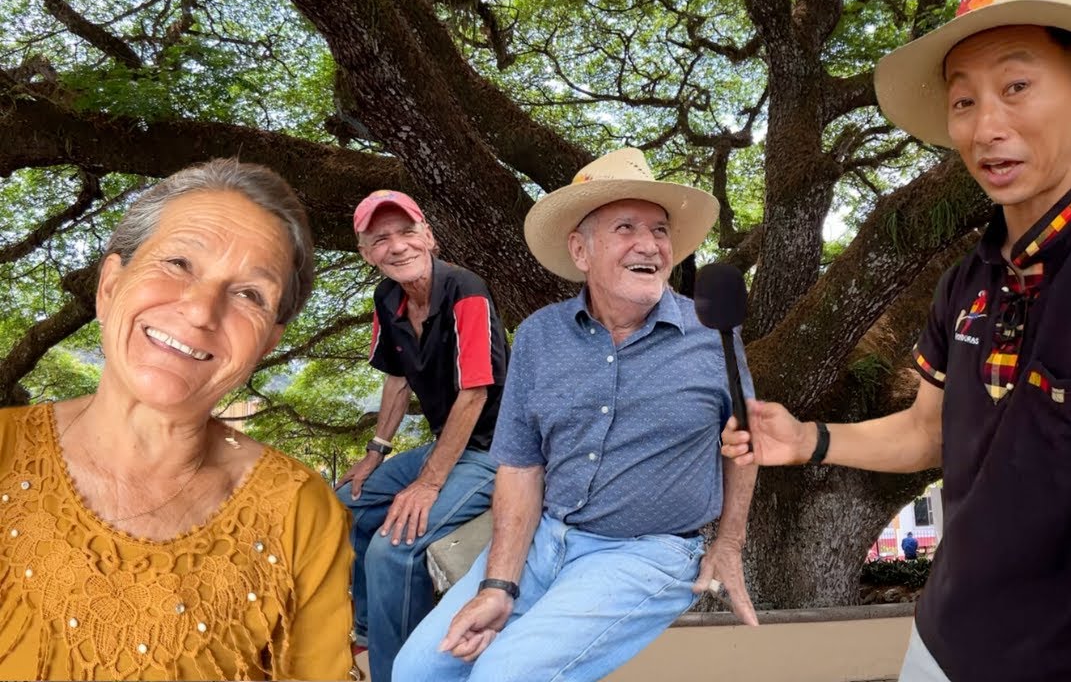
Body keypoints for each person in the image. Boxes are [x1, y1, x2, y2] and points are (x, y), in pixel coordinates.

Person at [721, 0, 1071, 680]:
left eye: (1017, 87)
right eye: (964, 100)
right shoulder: (967, 279)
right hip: (941, 648)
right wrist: (810, 439)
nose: (987, 127)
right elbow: (928, 430)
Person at [392, 148, 760, 682]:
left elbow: (744, 440)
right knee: (416, 670)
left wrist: (729, 543)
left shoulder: (712, 335)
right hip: (542, 540)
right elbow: (520, 467)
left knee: (503, 675)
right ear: (580, 250)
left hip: (647, 553)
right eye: (625, 227)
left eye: (659, 230)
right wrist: (499, 586)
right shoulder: (541, 335)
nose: (649, 244)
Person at [0, 159, 355, 680]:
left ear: (267, 343)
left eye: (250, 295)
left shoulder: (300, 512)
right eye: (179, 263)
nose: (201, 310)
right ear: (108, 287)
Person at [335, 190, 509, 682]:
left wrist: (428, 483)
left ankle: (401, 672)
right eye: (381, 239)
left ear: (428, 237)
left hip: (496, 449)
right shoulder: (386, 298)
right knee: (343, 504)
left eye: (407, 232)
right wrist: (375, 452)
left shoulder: (466, 290)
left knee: (393, 548)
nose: (397, 246)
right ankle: (370, 627)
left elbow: (474, 394)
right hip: (447, 445)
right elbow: (395, 377)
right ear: (367, 254)